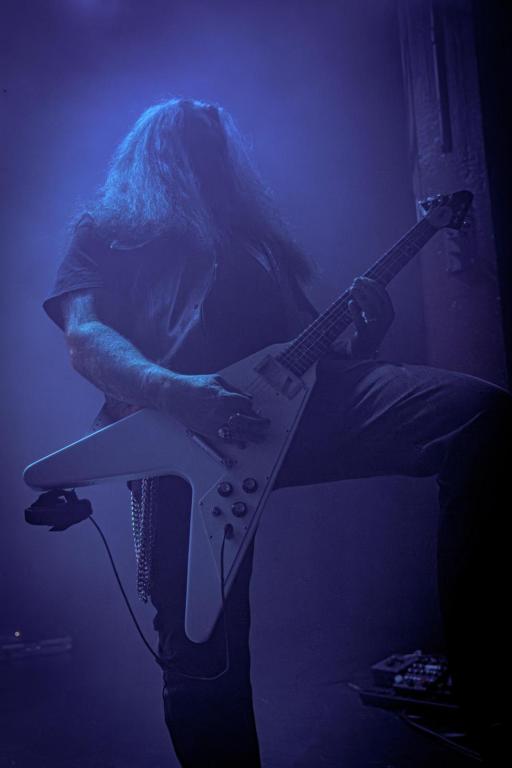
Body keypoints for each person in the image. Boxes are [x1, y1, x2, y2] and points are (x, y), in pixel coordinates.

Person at [43, 98, 508, 766]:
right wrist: (178, 393)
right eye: (188, 142)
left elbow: (313, 350)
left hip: (300, 409)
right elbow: (84, 337)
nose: (207, 156)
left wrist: (366, 332)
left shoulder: (256, 238)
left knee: (480, 417)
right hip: (177, 440)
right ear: (151, 154)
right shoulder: (108, 231)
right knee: (201, 650)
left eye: (216, 144)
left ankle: (487, 695)